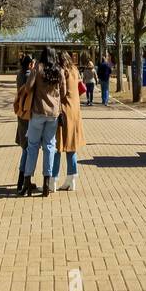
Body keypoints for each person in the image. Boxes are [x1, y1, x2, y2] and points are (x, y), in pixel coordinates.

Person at [19, 47, 65, 196]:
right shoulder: (59, 70)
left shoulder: (37, 69)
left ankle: (27, 180)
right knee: (50, 146)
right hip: (53, 114)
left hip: (38, 112)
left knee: (32, 146)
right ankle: (47, 181)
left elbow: (28, 87)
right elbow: (63, 93)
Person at [54, 51, 85, 192]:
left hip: (64, 110)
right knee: (71, 146)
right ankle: (71, 178)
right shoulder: (75, 69)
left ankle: (53, 178)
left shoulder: (63, 71)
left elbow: (61, 92)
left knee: (57, 146)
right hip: (75, 110)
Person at [14, 54, 33, 192]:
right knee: (28, 148)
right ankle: (23, 180)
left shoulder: (19, 74)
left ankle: (25, 179)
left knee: (25, 147)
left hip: (21, 112)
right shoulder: (28, 76)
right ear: (30, 64)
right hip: (27, 113)